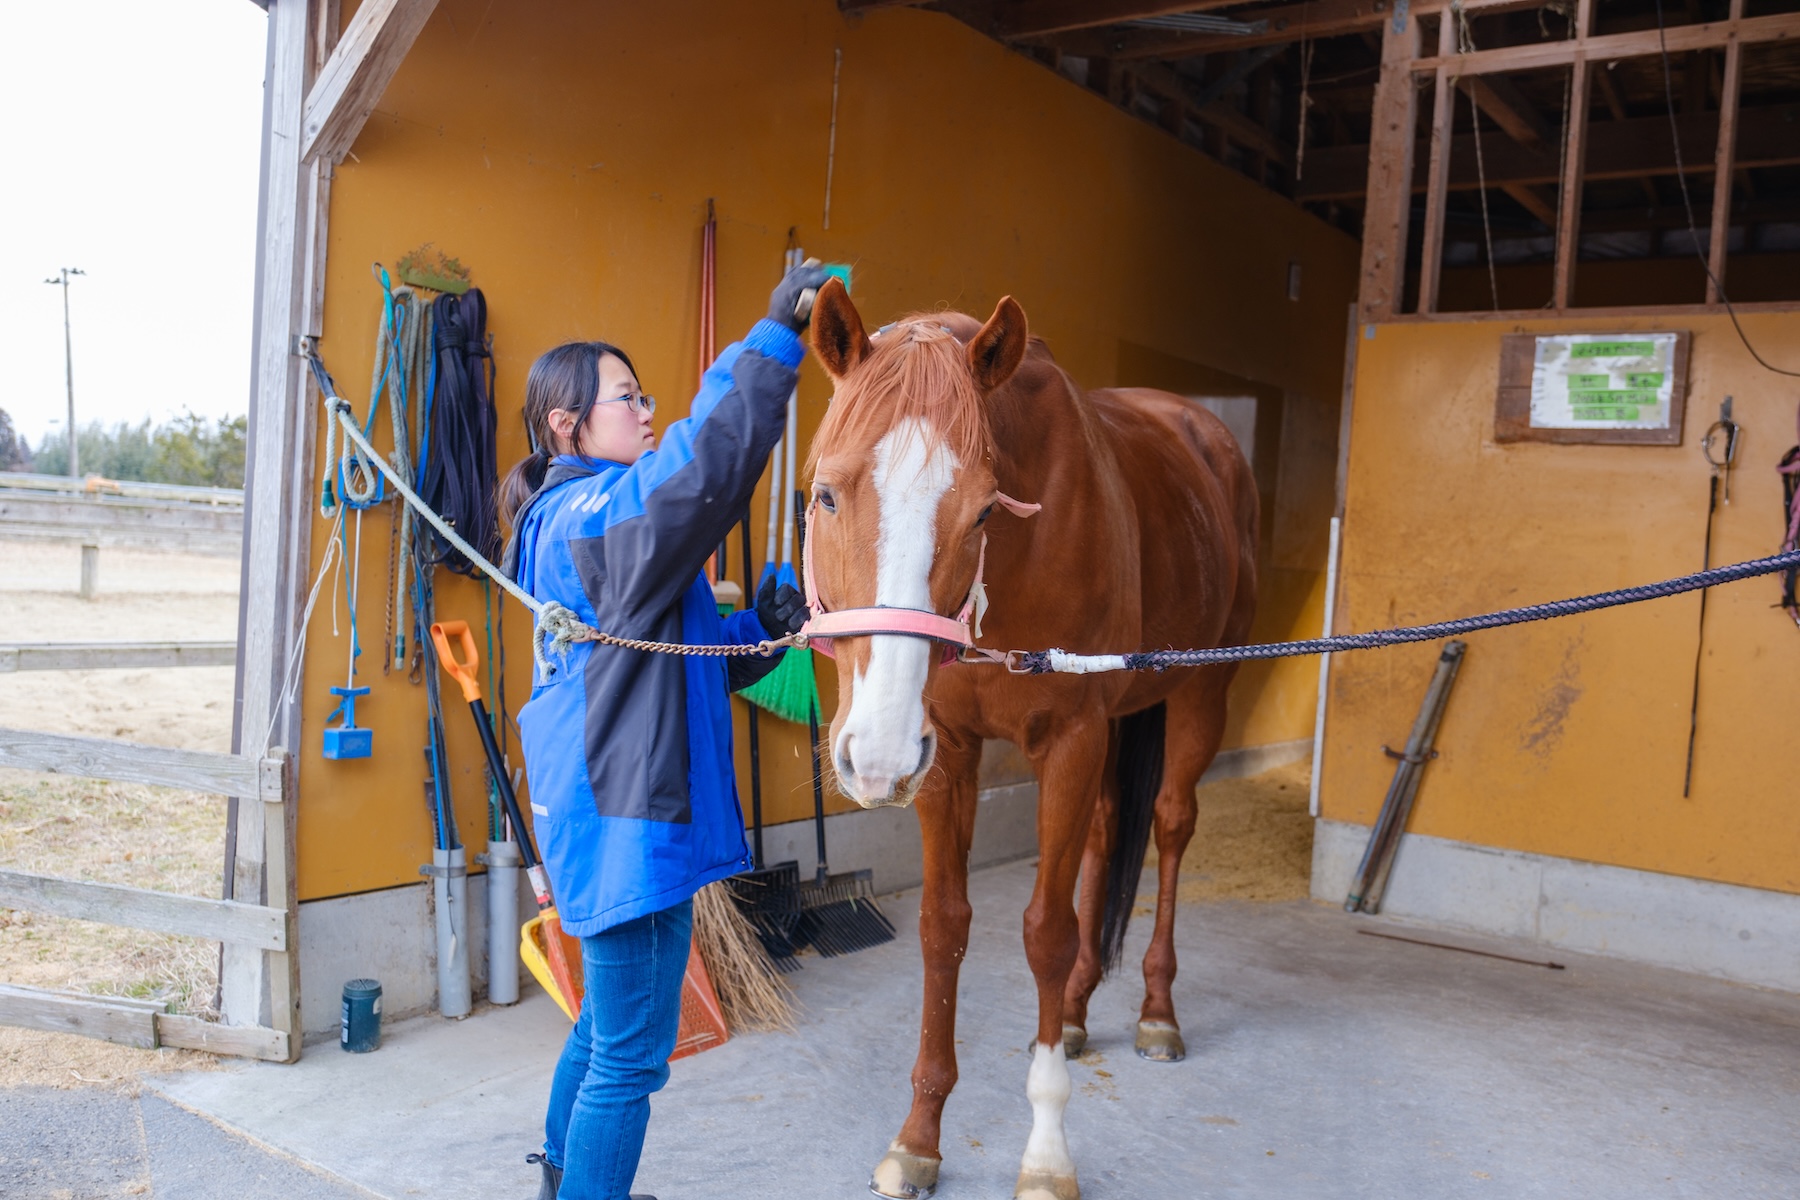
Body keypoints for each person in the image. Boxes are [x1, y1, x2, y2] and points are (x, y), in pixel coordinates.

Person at [499, 263, 829, 1200]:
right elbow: (694, 477)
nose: (646, 412)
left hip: (620, 813)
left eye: (647, 397)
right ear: (568, 425)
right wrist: (772, 346)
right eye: (628, 398)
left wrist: (763, 627)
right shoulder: (583, 519)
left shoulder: (593, 529)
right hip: (625, 822)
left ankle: (567, 1186)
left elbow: (686, 656)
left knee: (603, 1031)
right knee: (631, 1060)